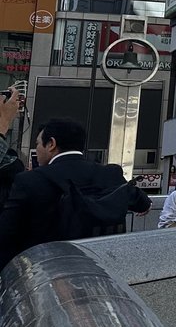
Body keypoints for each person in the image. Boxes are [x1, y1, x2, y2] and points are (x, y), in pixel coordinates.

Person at [0, 112, 151, 268]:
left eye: (38, 143)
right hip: (100, 271)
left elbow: (6, 234)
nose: (36, 149)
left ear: (51, 144)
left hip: (48, 271)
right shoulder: (110, 174)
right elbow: (143, 203)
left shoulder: (31, 180)